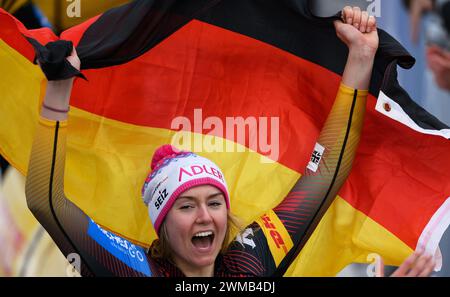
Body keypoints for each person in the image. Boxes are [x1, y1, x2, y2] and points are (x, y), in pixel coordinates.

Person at [25, 6, 436, 277]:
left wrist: (361, 59)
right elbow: (48, 202)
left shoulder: (247, 263)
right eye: (186, 206)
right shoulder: (138, 269)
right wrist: (59, 92)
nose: (206, 217)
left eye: (214, 203)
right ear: (162, 226)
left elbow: (322, 176)